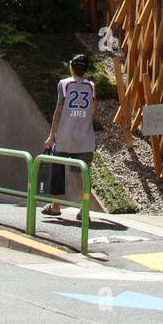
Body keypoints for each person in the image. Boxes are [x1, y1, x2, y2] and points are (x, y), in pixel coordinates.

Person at [41, 54, 97, 219]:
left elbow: (59, 110)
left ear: (71, 67)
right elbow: (94, 110)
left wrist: (51, 136)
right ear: (86, 70)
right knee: (83, 174)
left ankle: (55, 205)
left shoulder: (64, 84)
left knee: (58, 170)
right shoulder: (92, 86)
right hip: (85, 138)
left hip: (64, 136)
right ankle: (83, 209)